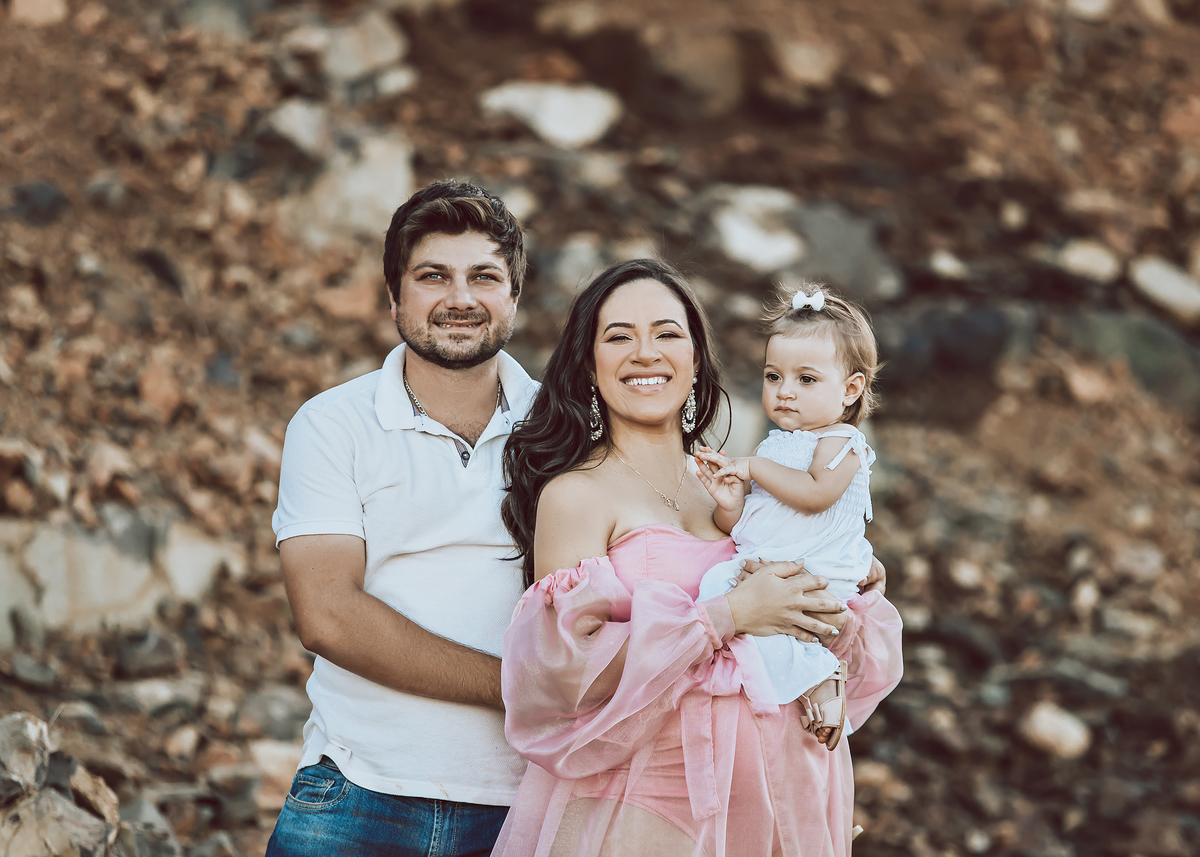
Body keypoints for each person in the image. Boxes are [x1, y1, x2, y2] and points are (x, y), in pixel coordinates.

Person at [495, 259, 904, 857]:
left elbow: (809, 626)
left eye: (666, 333)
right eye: (619, 337)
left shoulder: (737, 485)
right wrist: (727, 615)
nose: (645, 353)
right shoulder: (576, 495)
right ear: (588, 366)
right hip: (648, 804)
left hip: (778, 797)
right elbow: (562, 674)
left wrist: (844, 586)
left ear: (694, 359)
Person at [265, 180, 538, 857]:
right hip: (356, 795)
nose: (460, 298)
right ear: (394, 296)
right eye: (432, 276)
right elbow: (327, 615)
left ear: (514, 296)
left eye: (484, 276)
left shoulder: (564, 428)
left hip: (528, 804)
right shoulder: (332, 424)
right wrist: (519, 686)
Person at [694, 284, 881, 752]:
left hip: (816, 570)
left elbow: (816, 495)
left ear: (851, 389)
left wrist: (754, 468)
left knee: (729, 598)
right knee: (719, 593)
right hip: (777, 565)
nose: (785, 392)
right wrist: (730, 501)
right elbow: (741, 527)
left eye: (807, 379)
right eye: (773, 376)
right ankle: (800, 679)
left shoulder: (842, 443)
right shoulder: (775, 446)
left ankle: (820, 674)